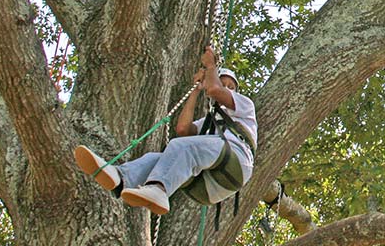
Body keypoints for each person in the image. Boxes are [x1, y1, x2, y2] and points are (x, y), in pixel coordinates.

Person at [74, 46, 258, 215]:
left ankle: (159, 189)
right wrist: (196, 90)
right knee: (157, 158)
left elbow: (215, 89)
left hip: (236, 161)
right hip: (208, 186)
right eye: (222, 82)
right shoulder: (209, 122)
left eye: (230, 86)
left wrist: (211, 67)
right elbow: (183, 129)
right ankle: (122, 177)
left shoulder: (244, 106)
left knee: (182, 147)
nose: (226, 88)